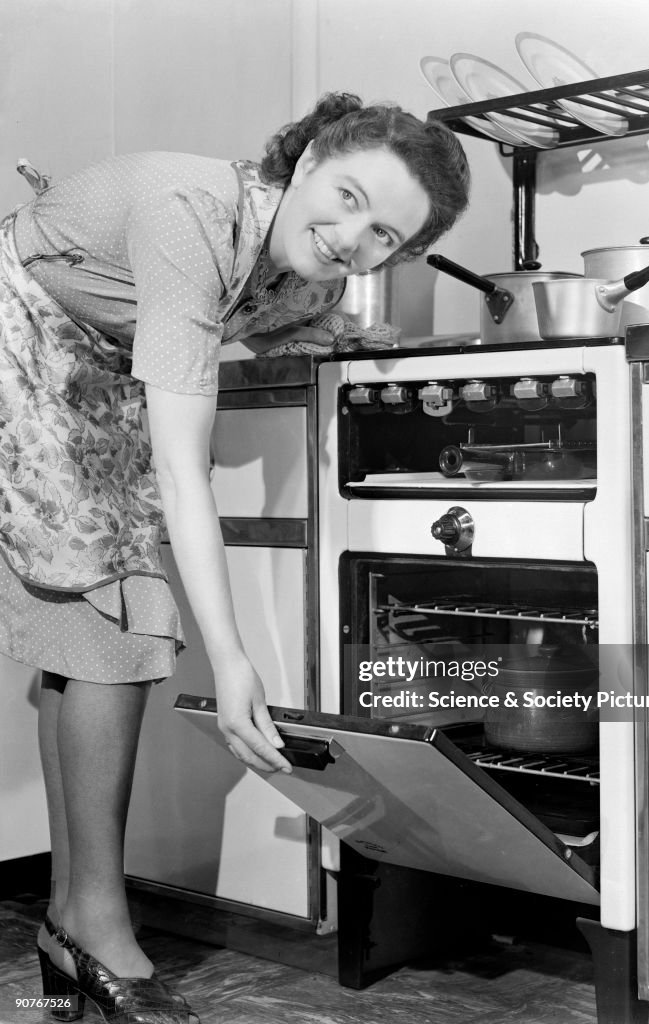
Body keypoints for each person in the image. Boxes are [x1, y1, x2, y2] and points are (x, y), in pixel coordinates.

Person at [0, 92, 470, 1022]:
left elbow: (267, 316)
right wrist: (234, 658)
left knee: (95, 627)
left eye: (384, 235)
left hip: (96, 354)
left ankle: (72, 924)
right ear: (301, 161)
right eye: (344, 197)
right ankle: (92, 921)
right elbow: (183, 470)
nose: (350, 237)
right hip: (20, 324)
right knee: (122, 610)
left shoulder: (318, 274)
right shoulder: (192, 214)